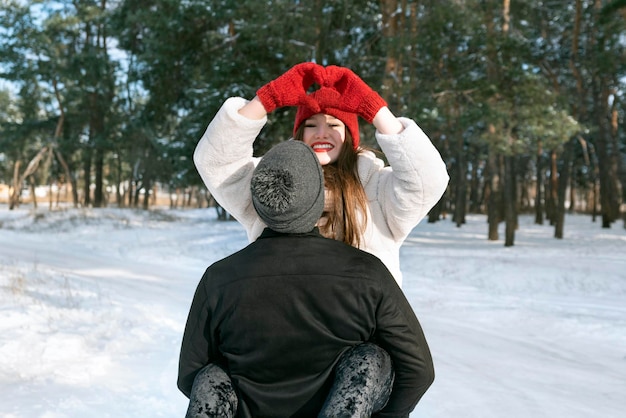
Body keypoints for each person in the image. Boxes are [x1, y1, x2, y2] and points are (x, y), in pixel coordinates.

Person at [178, 140, 435, 417]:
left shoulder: (219, 278)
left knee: (212, 375)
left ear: (259, 202)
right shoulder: (366, 272)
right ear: (316, 201)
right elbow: (418, 369)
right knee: (372, 359)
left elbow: (191, 375)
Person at [193, 62, 449, 286]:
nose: (321, 133)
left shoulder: (379, 188)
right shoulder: (270, 186)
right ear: (300, 134)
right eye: (311, 125)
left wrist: (375, 109)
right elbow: (216, 163)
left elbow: (429, 180)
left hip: (362, 335)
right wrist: (265, 100)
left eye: (334, 125)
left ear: (350, 136)